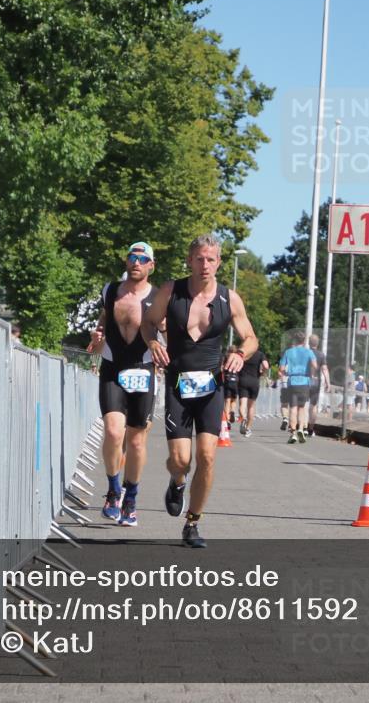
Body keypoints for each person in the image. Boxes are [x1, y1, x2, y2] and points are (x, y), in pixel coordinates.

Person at [141, 234, 257, 548]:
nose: (205, 265)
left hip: (211, 387)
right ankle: (177, 481)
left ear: (219, 262)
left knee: (206, 457)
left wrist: (240, 354)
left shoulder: (229, 299)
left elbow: (250, 338)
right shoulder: (171, 291)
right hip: (178, 384)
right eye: (199, 259)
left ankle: (192, 523)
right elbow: (148, 322)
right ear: (190, 261)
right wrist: (153, 342)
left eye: (211, 259)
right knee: (181, 460)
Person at [88, 242, 160, 527]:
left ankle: (131, 498)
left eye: (143, 259)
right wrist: (97, 337)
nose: (136, 262)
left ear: (151, 265)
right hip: (113, 367)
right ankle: (113, 490)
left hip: (143, 369)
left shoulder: (158, 297)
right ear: (126, 261)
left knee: (136, 440)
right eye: (132, 257)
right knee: (113, 431)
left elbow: (168, 330)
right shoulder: (110, 291)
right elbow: (103, 322)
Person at [279, 331, 317, 444]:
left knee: (293, 409)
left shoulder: (288, 352)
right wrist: (311, 373)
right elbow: (315, 365)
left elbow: (281, 369)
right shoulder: (309, 352)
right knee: (302, 408)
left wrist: (286, 373)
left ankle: (293, 433)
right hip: (304, 382)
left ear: (294, 340)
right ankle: (301, 428)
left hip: (292, 382)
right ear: (304, 341)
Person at [238, 347, 269, 437]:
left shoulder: (243, 353)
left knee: (242, 404)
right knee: (251, 406)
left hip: (243, 380)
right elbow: (266, 366)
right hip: (254, 381)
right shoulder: (260, 354)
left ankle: (243, 418)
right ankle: (248, 429)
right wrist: (262, 372)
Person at [306, 334, 330, 436]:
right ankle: (310, 429)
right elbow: (324, 369)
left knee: (301, 405)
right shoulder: (321, 355)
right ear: (318, 343)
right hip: (316, 382)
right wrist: (328, 382)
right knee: (313, 406)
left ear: (309, 343)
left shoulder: (305, 353)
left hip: (304, 380)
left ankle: (302, 427)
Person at [223, 345, 240, 425]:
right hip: (235, 380)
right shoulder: (237, 359)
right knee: (234, 399)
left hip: (227, 380)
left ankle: (227, 420)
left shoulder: (226, 357)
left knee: (227, 401)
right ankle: (232, 411)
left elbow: (222, 368)